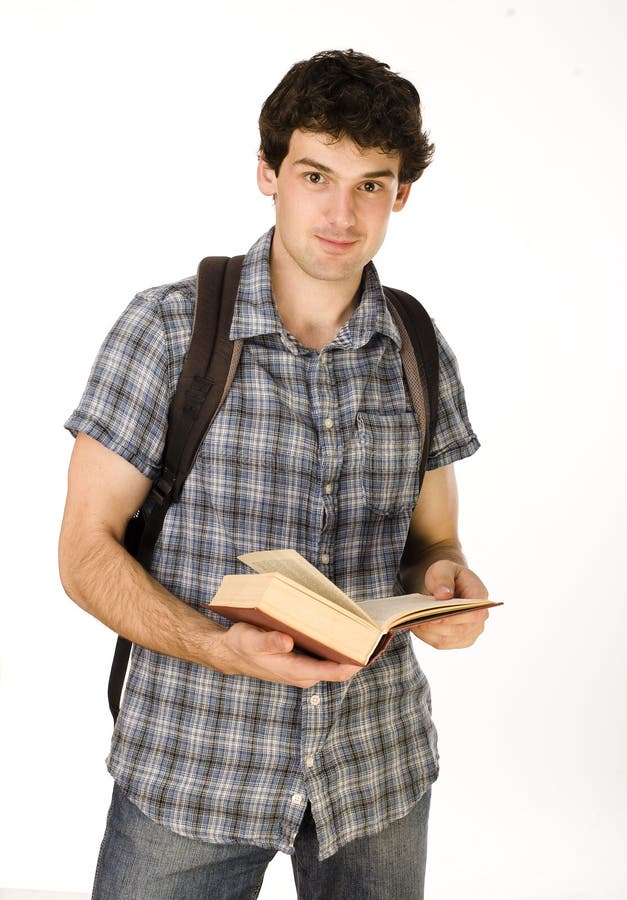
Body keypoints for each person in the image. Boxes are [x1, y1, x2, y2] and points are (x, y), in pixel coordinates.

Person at [59, 49, 490, 900]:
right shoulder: (167, 328)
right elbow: (84, 552)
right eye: (315, 174)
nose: (342, 212)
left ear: (400, 194)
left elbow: (432, 540)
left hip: (374, 771)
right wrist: (220, 647)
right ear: (268, 173)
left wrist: (446, 588)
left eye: (371, 183)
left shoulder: (417, 346)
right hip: (192, 771)